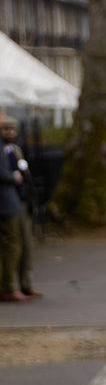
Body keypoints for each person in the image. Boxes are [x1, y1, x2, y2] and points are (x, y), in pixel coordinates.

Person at [0, 118, 36, 302]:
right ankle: (8, 287)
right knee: (11, 245)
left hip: (20, 202)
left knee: (23, 244)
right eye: (5, 129)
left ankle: (25, 284)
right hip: (7, 203)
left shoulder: (16, 149)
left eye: (12, 129)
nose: (10, 132)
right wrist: (13, 178)